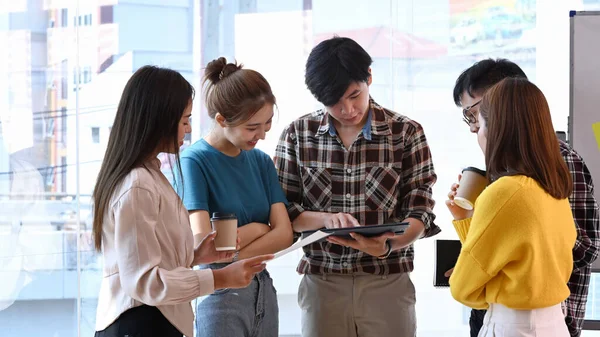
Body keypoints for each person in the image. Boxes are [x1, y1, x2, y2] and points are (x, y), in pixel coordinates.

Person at [274, 36, 440, 337]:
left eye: (355, 95)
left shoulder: (405, 133)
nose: (347, 109)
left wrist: (388, 244)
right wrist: (326, 220)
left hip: (387, 279)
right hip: (323, 281)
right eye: (334, 102)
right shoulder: (298, 134)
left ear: (369, 78)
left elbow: (420, 210)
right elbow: (282, 210)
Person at [91, 65, 273, 337]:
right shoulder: (138, 185)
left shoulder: (151, 177)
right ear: (158, 120)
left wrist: (196, 255)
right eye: (184, 119)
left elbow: (154, 261)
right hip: (141, 324)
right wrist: (220, 277)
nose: (188, 129)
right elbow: (144, 282)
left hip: (156, 322)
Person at [450, 58, 600, 337]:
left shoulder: (554, 166)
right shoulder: (543, 176)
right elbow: (503, 250)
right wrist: (474, 217)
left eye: (476, 114)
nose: (473, 128)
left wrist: (504, 286)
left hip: (524, 317)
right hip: (540, 317)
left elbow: (464, 286)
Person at [175, 57, 293, 337]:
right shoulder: (194, 161)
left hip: (263, 289)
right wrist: (260, 229)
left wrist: (233, 252)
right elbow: (205, 244)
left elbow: (286, 234)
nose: (262, 135)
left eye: (267, 124)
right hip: (221, 296)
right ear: (221, 119)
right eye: (252, 128)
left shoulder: (261, 162)